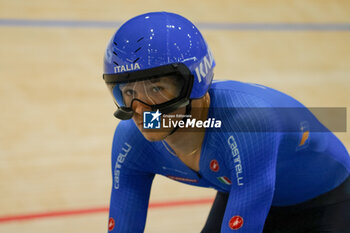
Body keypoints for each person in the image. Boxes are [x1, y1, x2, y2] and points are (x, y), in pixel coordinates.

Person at [102, 12, 350, 233]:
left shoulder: (248, 124)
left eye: (156, 88)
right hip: (248, 189)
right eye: (128, 93)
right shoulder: (131, 138)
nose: (141, 111)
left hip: (327, 201)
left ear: (194, 82)